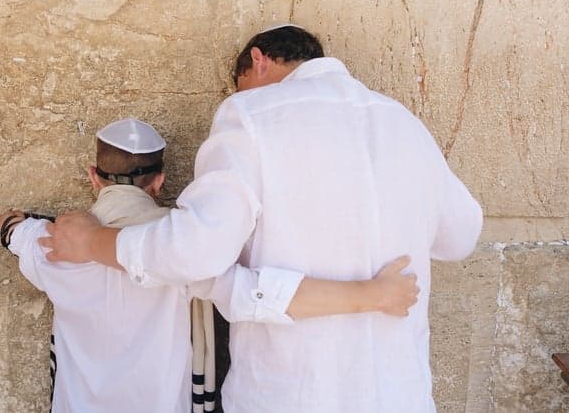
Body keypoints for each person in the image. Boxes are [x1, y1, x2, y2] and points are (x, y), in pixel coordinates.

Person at [40, 25, 484, 412]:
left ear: (258, 61)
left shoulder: (251, 116)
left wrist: (91, 244)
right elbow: (461, 236)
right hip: (400, 395)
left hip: (291, 394)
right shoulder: (404, 123)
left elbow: (193, 252)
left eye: (239, 84)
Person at [0, 117, 420, 413]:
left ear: (93, 175)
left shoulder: (52, 244)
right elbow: (260, 296)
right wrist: (374, 295)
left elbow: (4, 228)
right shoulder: (184, 250)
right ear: (159, 182)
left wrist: (24, 224)